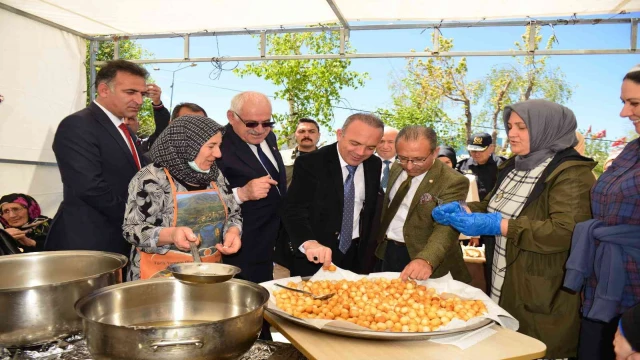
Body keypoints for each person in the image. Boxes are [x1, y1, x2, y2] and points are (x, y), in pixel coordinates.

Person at [433, 99, 596, 359]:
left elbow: (566, 232)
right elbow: (492, 206)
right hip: (502, 281)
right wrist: (463, 209)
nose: (512, 133)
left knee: (531, 350)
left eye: (522, 127)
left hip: (542, 293)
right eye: (509, 126)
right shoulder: (513, 166)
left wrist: (502, 226)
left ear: (547, 129)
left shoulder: (572, 173)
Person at [565, 64, 640, 360]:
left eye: (634, 103)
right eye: (624, 102)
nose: (624, 113)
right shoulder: (631, 151)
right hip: (606, 287)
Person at [45, 60, 149, 257]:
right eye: (130, 92)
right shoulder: (77, 125)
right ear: (103, 90)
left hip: (118, 239)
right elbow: (90, 187)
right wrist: (137, 218)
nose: (140, 100)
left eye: (142, 94)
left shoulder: (123, 130)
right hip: (87, 244)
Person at [122, 115, 241, 280]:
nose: (218, 154)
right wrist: (171, 235)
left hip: (208, 272)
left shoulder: (215, 175)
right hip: (157, 276)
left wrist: (233, 232)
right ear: (187, 146)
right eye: (211, 146)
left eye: (219, 145)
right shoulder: (151, 178)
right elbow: (131, 230)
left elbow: (234, 214)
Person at [282, 113, 383, 276]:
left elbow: (370, 211)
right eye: (355, 143)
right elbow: (293, 211)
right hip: (315, 256)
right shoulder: (311, 163)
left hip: (356, 256)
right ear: (339, 134)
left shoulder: (374, 164)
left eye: (370, 147)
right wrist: (309, 243)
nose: (361, 152)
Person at [373, 126, 471, 283]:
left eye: (419, 159)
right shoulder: (396, 169)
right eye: (403, 158)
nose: (409, 166)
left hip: (424, 257)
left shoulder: (453, 181)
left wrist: (427, 259)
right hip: (388, 252)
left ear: (434, 152)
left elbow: (447, 227)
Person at [280, 118, 321, 188]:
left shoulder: (329, 160)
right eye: (302, 131)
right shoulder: (281, 157)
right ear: (295, 134)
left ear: (318, 135)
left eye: (311, 132)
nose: (306, 135)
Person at [377, 127, 399, 191]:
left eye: (390, 142)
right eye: (381, 141)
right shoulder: (364, 163)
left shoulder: (406, 165)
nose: (385, 146)